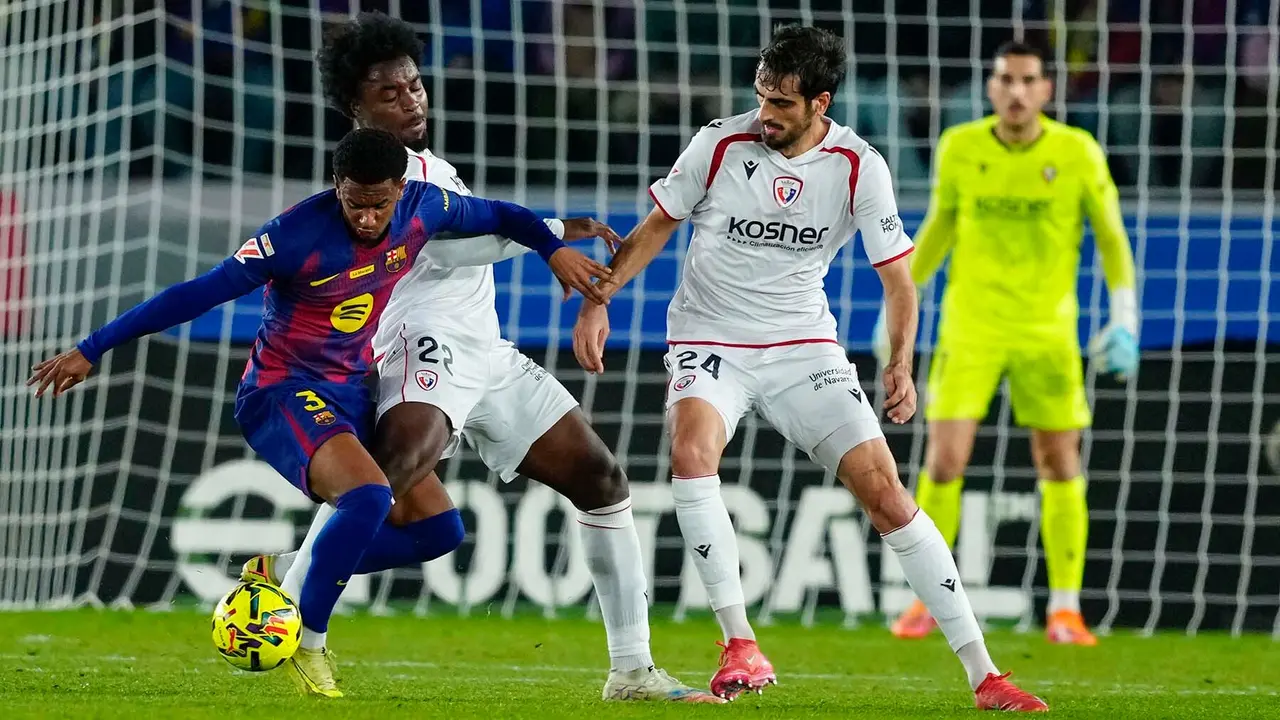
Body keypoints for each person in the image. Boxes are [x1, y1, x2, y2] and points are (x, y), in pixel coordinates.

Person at [239, 12, 724, 704]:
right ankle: (289, 611)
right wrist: (550, 236)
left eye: (414, 86)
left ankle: (632, 671)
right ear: (355, 107)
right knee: (391, 475)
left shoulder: (432, 167)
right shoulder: (375, 183)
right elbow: (458, 244)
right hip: (420, 341)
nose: (410, 101)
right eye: (389, 93)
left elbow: (485, 224)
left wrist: (551, 232)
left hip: (486, 350)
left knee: (601, 478)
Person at [28, 127, 610, 698]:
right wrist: (92, 347)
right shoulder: (293, 236)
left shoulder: (424, 207)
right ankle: (308, 641)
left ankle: (278, 574)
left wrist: (553, 244)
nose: (365, 217)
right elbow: (197, 292)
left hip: (354, 387)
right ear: (338, 187)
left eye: (377, 204)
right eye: (354, 203)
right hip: (284, 390)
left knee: (439, 531)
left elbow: (502, 215)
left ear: (399, 189)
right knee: (367, 497)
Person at [572, 24, 1049, 712]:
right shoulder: (719, 142)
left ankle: (985, 677)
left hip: (804, 346)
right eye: (762, 94)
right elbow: (656, 226)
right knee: (690, 451)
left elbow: (900, 281)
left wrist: (903, 362)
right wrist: (599, 302)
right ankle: (739, 644)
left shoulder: (859, 165)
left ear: (820, 102)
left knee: (887, 494)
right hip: (711, 338)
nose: (766, 112)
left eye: (783, 103)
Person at [879, 40, 1138, 647]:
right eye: (1005, 80)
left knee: (1059, 463)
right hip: (970, 328)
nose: (1016, 91)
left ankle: (1066, 610)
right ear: (991, 88)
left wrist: (1125, 320)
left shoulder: (1077, 152)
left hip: (1048, 333)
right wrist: (901, 307)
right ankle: (927, 603)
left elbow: (1113, 242)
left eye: (1028, 80)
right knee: (943, 461)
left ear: (1047, 89)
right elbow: (939, 229)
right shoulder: (961, 146)